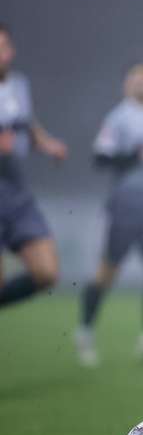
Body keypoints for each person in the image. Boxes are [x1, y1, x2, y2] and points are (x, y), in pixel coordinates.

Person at [74, 64, 143, 366]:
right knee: (107, 273)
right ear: (126, 85)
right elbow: (101, 157)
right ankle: (85, 330)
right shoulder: (119, 117)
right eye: (136, 80)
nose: (141, 84)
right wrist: (135, 155)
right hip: (126, 205)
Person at [0, 23, 68, 309]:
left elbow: (27, 124)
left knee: (47, 272)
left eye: (2, 46)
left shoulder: (18, 87)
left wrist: (47, 143)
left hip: (15, 191)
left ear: (11, 51)